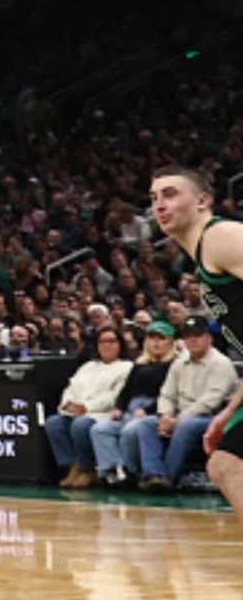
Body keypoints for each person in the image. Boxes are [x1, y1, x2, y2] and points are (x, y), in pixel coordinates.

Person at [148, 167, 243, 518]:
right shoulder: (205, 258)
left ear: (203, 201)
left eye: (170, 194)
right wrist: (230, 411)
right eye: (154, 198)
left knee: (228, 467)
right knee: (226, 466)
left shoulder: (220, 237)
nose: (159, 204)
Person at [136, 315, 237, 491]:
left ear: (209, 338)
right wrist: (165, 416)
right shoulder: (179, 362)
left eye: (198, 335)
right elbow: (166, 394)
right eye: (188, 336)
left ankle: (168, 477)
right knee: (146, 424)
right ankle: (154, 475)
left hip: (212, 417)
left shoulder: (221, 364)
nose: (193, 340)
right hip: (179, 415)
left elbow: (210, 402)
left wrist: (177, 421)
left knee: (186, 426)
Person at [92, 321, 181, 487]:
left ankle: (131, 470)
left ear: (170, 342)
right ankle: (112, 469)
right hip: (131, 409)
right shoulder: (139, 364)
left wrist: (148, 410)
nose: (155, 343)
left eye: (161, 339)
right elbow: (126, 390)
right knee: (100, 429)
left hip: (154, 409)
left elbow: (171, 395)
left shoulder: (176, 365)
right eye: (152, 338)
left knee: (131, 431)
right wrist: (119, 408)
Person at [44, 326, 131, 488]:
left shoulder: (127, 367)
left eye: (112, 341)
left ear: (120, 344)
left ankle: (87, 468)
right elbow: (71, 387)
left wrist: (86, 407)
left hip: (102, 413)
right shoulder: (88, 366)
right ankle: (73, 466)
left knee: (81, 425)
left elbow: (115, 396)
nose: (107, 345)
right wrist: (68, 404)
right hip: (76, 411)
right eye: (102, 342)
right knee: (53, 423)